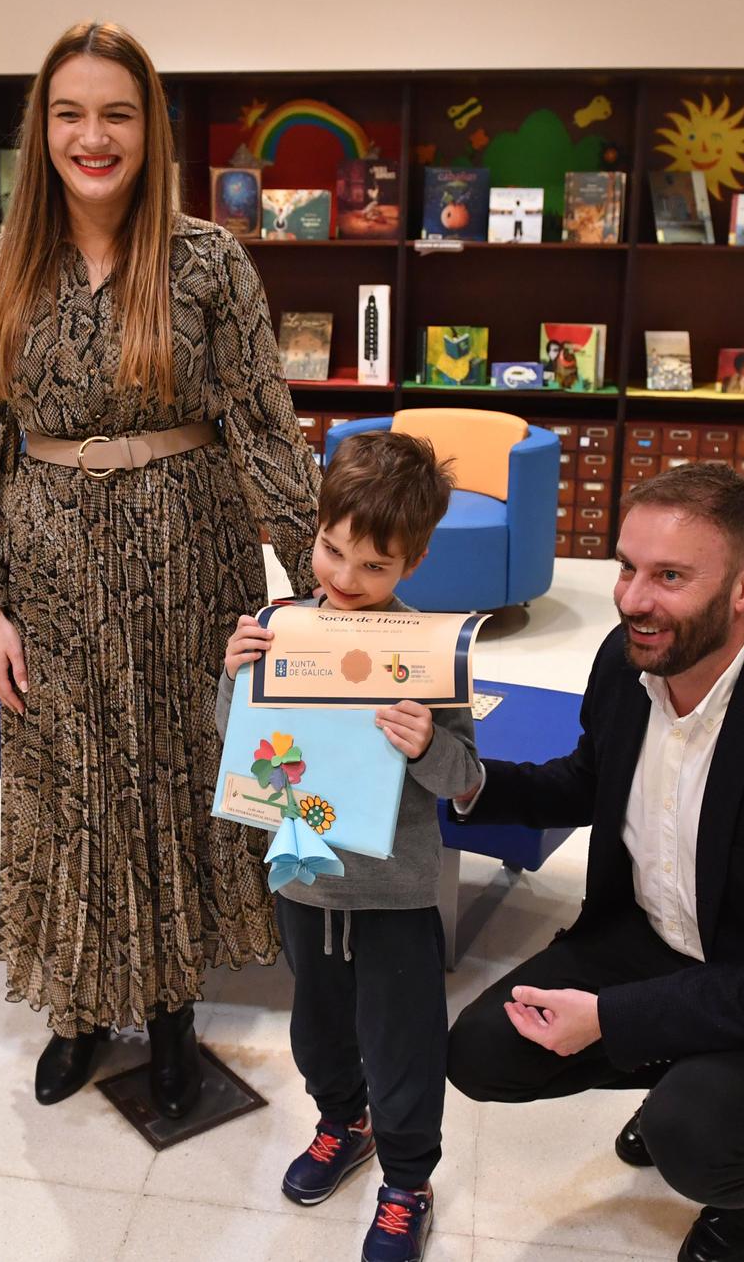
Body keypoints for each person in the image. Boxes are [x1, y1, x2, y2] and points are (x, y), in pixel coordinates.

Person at [0, 19, 322, 1118]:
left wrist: (319, 578)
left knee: (175, 779)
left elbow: (260, 420)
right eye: (69, 114)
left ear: (149, 131)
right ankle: (75, 1008)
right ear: (41, 129)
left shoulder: (207, 261)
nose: (91, 136)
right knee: (71, 789)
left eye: (115, 114)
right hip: (50, 567)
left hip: (188, 557)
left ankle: (169, 1015)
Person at [444, 463, 744, 1262]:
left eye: (668, 576)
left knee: (696, 1134)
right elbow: (591, 778)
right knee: (478, 1051)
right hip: (654, 942)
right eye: (627, 566)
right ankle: (684, 1070)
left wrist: (616, 1022)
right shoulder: (626, 666)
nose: (631, 598)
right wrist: (465, 783)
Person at [219, 432, 482, 1262]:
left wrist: (426, 745)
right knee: (318, 1035)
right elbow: (237, 749)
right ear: (317, 527)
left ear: (413, 561)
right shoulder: (282, 627)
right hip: (305, 883)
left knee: (404, 1044)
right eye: (332, 550)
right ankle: (344, 1124)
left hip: (397, 897)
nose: (344, 578)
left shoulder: (425, 651)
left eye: (375, 566)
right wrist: (234, 680)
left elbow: (466, 777)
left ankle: (407, 1180)